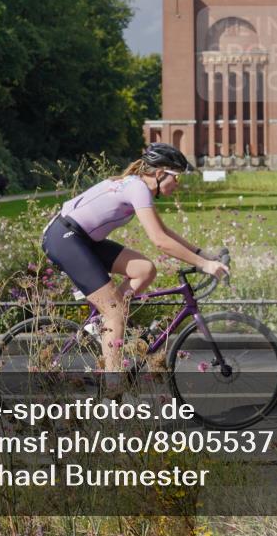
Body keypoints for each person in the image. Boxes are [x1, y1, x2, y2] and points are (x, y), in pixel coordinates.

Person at [40, 143, 230, 385]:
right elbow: (160, 241)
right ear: (160, 173)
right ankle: (112, 391)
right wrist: (204, 265)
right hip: (64, 238)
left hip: (82, 239)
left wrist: (203, 253)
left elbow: (164, 230)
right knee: (116, 311)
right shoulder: (138, 188)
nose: (179, 183)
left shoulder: (138, 187)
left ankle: (102, 323)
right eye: (178, 177)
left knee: (145, 270)